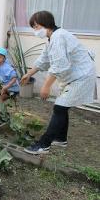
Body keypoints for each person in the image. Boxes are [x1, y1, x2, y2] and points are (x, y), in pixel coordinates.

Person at [21, 11, 97, 155]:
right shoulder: (51, 38)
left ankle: (44, 145)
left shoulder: (59, 36)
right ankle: (61, 139)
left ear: (46, 23)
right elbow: (44, 59)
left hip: (82, 76)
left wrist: (46, 86)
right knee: (62, 107)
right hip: (75, 76)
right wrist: (29, 73)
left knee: (60, 108)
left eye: (36, 26)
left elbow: (60, 65)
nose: (35, 31)